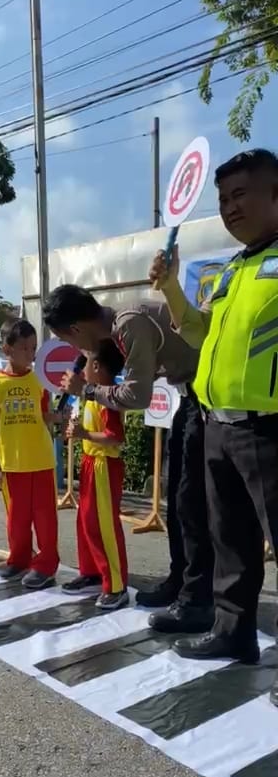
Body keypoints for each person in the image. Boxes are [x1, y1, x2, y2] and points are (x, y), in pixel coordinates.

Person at [149, 147, 278, 707]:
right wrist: (172, 287)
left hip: (271, 428)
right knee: (232, 541)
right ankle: (233, 632)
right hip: (220, 425)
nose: (229, 207)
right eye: (223, 199)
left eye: (241, 194)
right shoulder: (233, 268)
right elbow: (201, 334)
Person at [43, 285, 215, 634]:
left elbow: (136, 396)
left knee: (191, 503)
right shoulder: (118, 327)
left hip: (208, 399)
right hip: (191, 398)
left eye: (69, 341)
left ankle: (198, 600)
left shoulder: (128, 323)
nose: (77, 351)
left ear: (76, 329)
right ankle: (180, 582)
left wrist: (87, 390)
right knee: (181, 503)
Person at [0, 318, 65, 591]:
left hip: (41, 460)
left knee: (45, 517)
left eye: (34, 348)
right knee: (16, 517)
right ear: (7, 350)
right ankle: (19, 558)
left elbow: (44, 415)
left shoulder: (40, 380)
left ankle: (45, 565)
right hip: (12, 463)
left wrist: (59, 417)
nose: (31, 355)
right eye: (25, 349)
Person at [62, 340, 129, 610]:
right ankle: (91, 571)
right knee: (86, 520)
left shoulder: (108, 397)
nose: (82, 368)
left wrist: (84, 434)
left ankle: (116, 585)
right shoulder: (90, 395)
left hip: (104, 465)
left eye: (86, 362)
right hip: (91, 462)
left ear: (98, 367)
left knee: (104, 525)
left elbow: (115, 437)